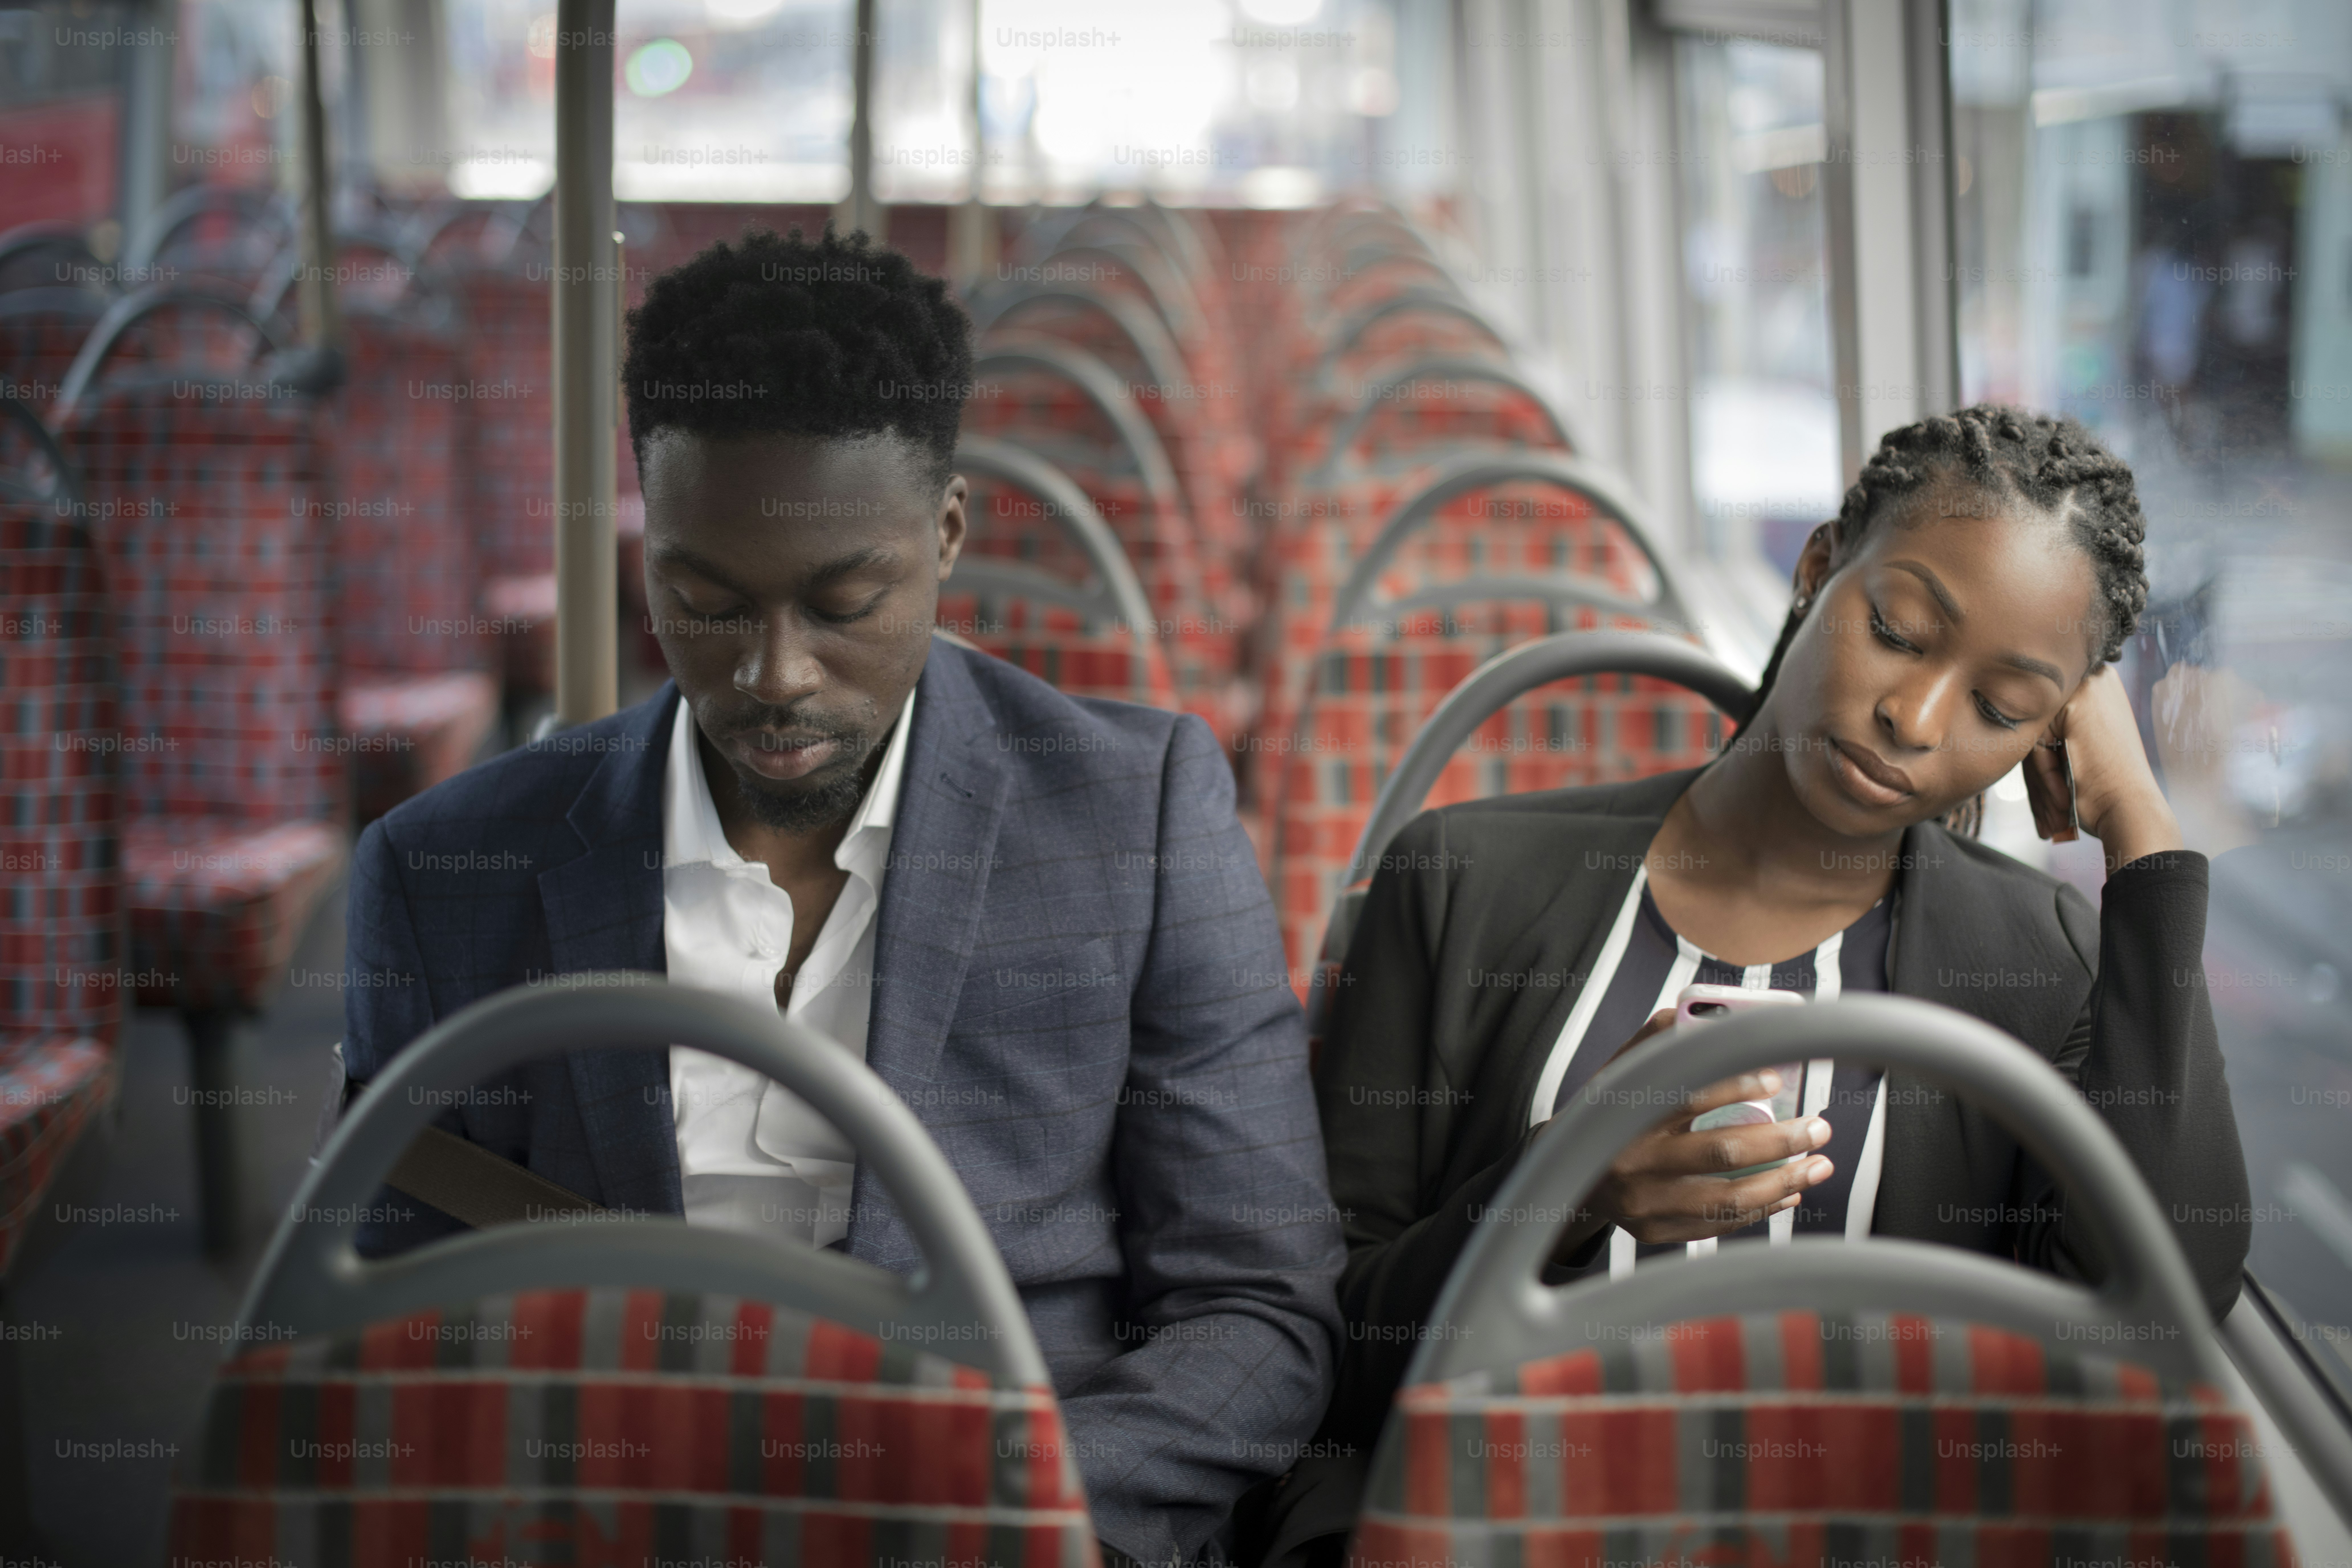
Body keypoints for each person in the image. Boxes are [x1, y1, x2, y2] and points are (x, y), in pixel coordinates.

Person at [330, 226, 1343, 1568]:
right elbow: (389, 1323)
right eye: (703, 601)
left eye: (845, 601)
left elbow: (1258, 1303)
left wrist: (1011, 1510)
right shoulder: (447, 872)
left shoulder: (1134, 818)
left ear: (947, 534)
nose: (776, 673)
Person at [1262, 405, 2253, 1565]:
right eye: (1896, 629)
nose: (1915, 720)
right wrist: (1566, 1189)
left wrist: (2140, 836)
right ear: (1819, 566)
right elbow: (1325, 1349)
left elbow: (2157, 1305)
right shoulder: (1462, 880)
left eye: (2001, 707)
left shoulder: (2035, 962)